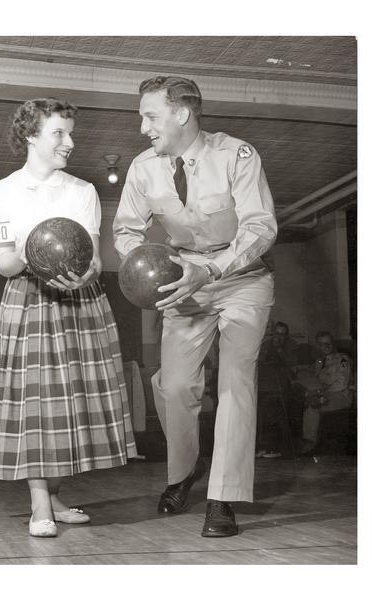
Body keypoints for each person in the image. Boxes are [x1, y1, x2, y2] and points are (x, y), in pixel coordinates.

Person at [113, 76, 277, 537]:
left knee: (235, 384)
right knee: (175, 386)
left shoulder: (236, 154)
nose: (142, 126)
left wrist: (214, 269)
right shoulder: (143, 168)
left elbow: (261, 226)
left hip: (242, 278)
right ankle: (184, 472)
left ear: (182, 113)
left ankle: (222, 498)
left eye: (150, 115)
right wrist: (148, 267)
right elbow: (126, 231)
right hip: (182, 282)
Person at [0, 97, 137, 537]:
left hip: (81, 300)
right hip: (29, 298)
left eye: (71, 133)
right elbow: (6, 265)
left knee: (73, 407)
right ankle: (38, 505)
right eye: (59, 133)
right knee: (36, 407)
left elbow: (92, 259)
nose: (70, 142)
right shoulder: (1, 192)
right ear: (31, 136)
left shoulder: (82, 191)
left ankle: (53, 496)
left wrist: (81, 273)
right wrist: (39, 249)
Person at [294, 331, 352, 455]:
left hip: (341, 396)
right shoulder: (319, 362)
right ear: (317, 346)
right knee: (308, 396)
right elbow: (312, 375)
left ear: (333, 343)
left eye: (328, 343)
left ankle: (310, 442)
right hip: (323, 394)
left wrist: (322, 391)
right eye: (321, 344)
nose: (325, 347)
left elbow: (342, 384)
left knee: (313, 405)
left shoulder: (342, 359)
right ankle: (306, 441)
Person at [256, 321, 299, 458]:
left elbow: (292, 367)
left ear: (287, 336)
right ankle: (263, 446)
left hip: (281, 386)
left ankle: (275, 448)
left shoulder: (292, 345)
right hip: (264, 385)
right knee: (260, 414)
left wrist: (280, 351)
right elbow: (258, 361)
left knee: (276, 412)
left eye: (283, 334)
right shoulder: (266, 344)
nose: (279, 337)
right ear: (272, 333)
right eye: (277, 333)